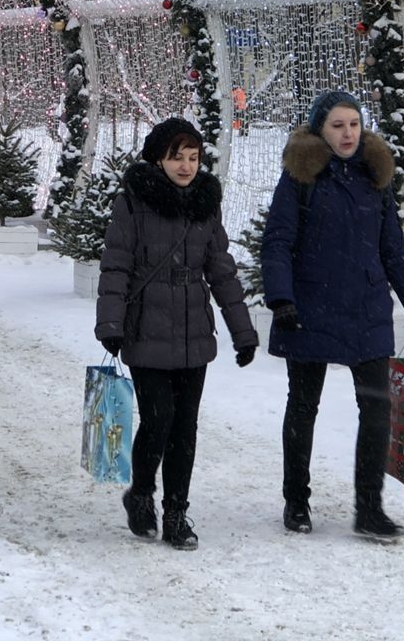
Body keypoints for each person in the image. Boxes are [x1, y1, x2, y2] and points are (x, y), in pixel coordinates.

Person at [261, 90, 404, 542]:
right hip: (310, 307)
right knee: (303, 406)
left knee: (377, 408)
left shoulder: (375, 177)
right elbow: (277, 240)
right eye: (337, 125)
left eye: (353, 124)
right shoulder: (301, 175)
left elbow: (392, 248)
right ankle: (296, 499)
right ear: (321, 129)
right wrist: (281, 297)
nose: (347, 133)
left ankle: (369, 508)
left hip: (366, 309)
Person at [94, 117, 257, 551]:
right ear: (158, 158)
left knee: (186, 427)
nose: (186, 166)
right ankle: (142, 493)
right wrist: (110, 323)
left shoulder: (205, 203)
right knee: (159, 418)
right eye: (176, 157)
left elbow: (221, 272)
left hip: (193, 333)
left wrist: (243, 332)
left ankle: (177, 513)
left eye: (193, 157)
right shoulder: (132, 203)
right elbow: (117, 266)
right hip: (146, 330)